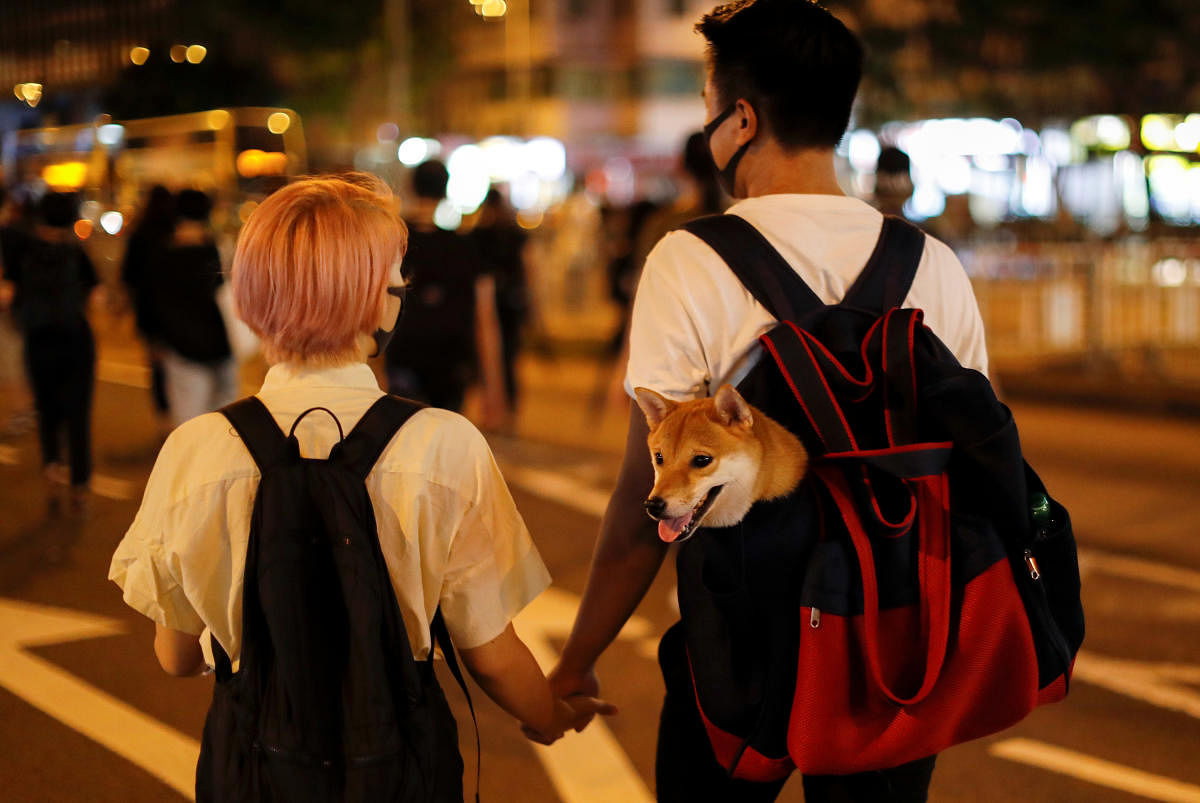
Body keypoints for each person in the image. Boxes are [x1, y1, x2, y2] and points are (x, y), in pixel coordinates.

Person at [544, 2, 989, 802]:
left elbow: (645, 502)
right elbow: (970, 469)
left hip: (739, 642)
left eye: (710, 108)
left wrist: (575, 661)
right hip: (894, 640)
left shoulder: (690, 261)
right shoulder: (934, 264)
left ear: (740, 119)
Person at [108, 174, 611, 795]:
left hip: (253, 771)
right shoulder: (441, 444)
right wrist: (550, 717)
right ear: (377, 301)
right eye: (395, 281)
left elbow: (176, 657)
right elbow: (490, 649)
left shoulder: (197, 448)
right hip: (399, 772)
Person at [385, 160, 506, 426]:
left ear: (412, 187)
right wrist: (493, 389)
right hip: (452, 365)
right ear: (445, 190)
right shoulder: (466, 248)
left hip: (403, 359)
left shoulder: (395, 244)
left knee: (404, 443)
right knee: (444, 447)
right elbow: (486, 321)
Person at [3, 191, 100, 513]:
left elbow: (12, 289)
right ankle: (81, 485)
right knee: (78, 413)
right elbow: (95, 293)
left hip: (38, 340)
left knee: (47, 409)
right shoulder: (74, 252)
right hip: (75, 339)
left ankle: (52, 469)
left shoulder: (23, 249)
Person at [145, 189, 238, 425]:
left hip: (182, 348)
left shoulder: (161, 256)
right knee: (228, 422)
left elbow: (150, 303)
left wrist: (154, 339)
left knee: (189, 422)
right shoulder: (219, 251)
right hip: (223, 344)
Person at [120, 184, 176, 430]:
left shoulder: (140, 232)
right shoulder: (174, 232)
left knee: (157, 367)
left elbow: (128, 275)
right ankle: (180, 411)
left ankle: (164, 416)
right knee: (180, 365)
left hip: (149, 312)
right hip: (176, 312)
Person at [472, 188, 529, 420]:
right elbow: (527, 265)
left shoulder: (479, 233)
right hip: (512, 301)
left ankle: (495, 405)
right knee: (509, 354)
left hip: (492, 301)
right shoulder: (514, 232)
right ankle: (508, 404)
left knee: (492, 354)